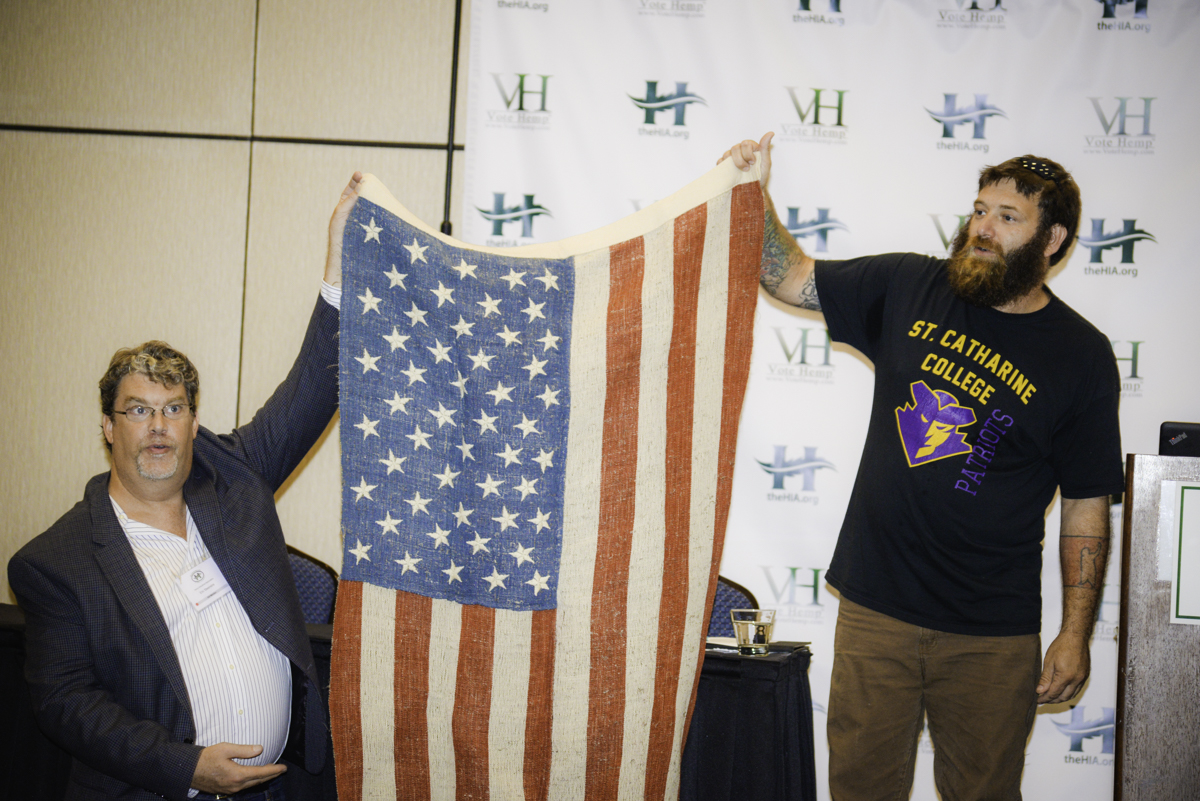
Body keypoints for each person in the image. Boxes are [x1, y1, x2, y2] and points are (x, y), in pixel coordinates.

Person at [721, 133, 1122, 800]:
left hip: (992, 632)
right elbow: (791, 277)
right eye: (980, 209)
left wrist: (1075, 633)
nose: (983, 228)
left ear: (1051, 241)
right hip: (878, 611)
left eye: (1007, 216)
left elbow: (1086, 504)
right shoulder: (910, 284)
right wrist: (750, 192)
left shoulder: (1081, 355)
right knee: (860, 789)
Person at [8, 172, 363, 801]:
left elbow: (310, 391)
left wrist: (339, 255)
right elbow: (68, 704)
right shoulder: (55, 563)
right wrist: (186, 767)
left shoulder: (233, 478)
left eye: (172, 409)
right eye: (138, 410)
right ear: (107, 427)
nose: (158, 429)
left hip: (287, 789)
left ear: (194, 423)